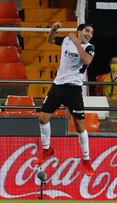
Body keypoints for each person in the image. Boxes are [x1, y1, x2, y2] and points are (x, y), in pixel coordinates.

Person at [37, 22, 95, 176]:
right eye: (87, 31)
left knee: (79, 126)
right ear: (79, 31)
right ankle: (46, 149)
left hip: (74, 89)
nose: (89, 34)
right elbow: (50, 40)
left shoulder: (89, 47)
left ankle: (86, 159)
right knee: (43, 118)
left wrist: (77, 42)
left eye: (91, 32)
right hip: (58, 86)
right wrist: (53, 30)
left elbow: (87, 61)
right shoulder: (66, 41)